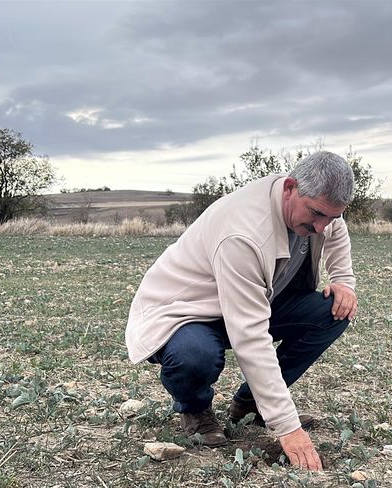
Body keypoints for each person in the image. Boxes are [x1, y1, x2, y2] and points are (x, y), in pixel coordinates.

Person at [124, 151, 357, 471]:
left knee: (334, 311)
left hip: (250, 299)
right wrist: (288, 427)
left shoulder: (318, 208)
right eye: (316, 214)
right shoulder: (244, 233)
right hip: (186, 312)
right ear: (290, 188)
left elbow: (335, 226)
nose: (321, 227)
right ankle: (195, 409)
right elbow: (250, 335)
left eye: (330, 217)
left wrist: (343, 280)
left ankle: (249, 404)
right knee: (195, 355)